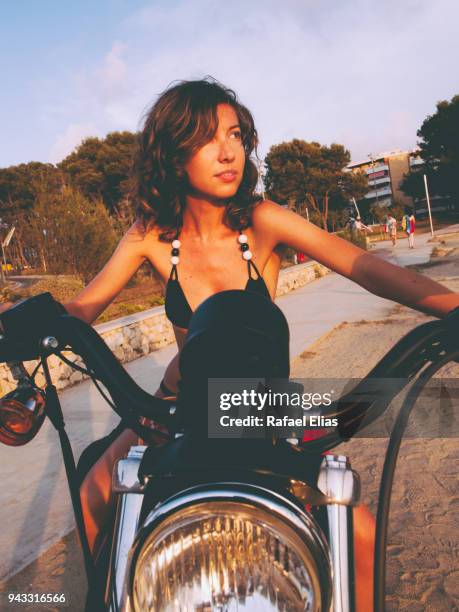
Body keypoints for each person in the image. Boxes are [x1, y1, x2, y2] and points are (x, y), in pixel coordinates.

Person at [4, 79, 459, 611]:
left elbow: (367, 268)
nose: (228, 151)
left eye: (236, 135)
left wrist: (451, 308)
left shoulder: (262, 220)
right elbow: (82, 310)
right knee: (92, 500)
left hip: (262, 405)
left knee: (356, 528)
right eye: (206, 139)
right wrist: (22, 320)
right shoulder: (151, 234)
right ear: (174, 156)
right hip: (175, 405)